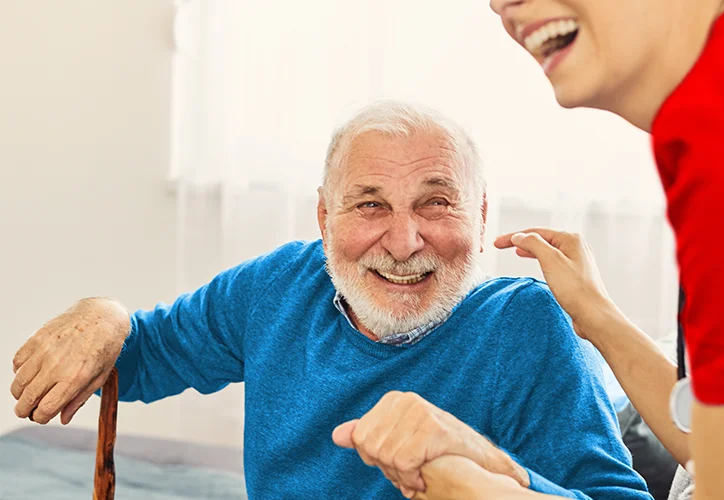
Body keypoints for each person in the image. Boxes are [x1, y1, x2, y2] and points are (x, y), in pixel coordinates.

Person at [9, 101, 651, 500]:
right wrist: (105, 313)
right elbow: (139, 361)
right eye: (370, 204)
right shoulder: (274, 288)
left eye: (436, 202)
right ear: (324, 217)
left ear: (481, 219)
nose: (403, 243)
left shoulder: (528, 327)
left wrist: (484, 473)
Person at [337, 1, 724, 499]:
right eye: (370, 205)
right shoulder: (723, 111)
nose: (499, 4)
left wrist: (477, 489)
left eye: (437, 202)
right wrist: (595, 315)